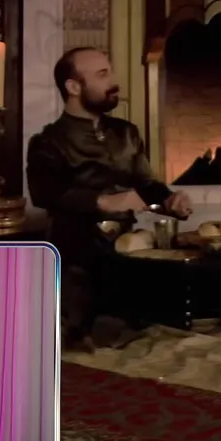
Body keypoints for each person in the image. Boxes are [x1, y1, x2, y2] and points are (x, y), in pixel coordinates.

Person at [26, 47, 192, 346]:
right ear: (73, 87)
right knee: (85, 328)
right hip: (75, 253)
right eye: (102, 75)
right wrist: (102, 202)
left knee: (167, 306)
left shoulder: (126, 133)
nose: (114, 81)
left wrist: (170, 201)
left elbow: (146, 185)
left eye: (111, 72)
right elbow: (45, 193)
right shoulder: (47, 141)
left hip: (126, 249)